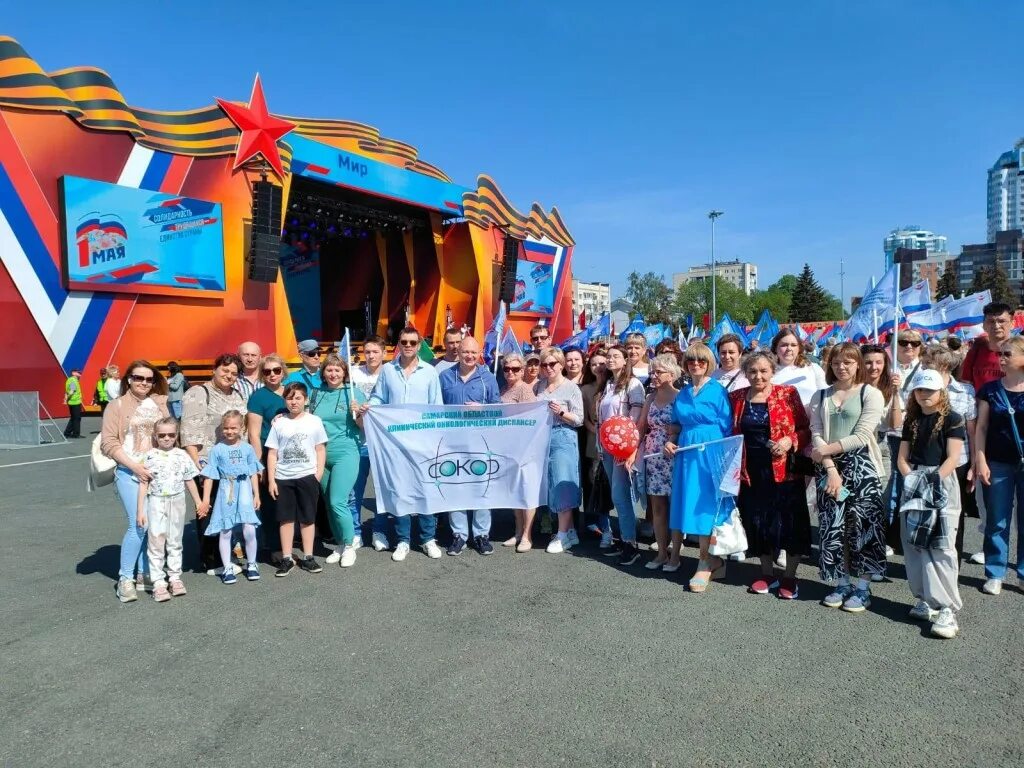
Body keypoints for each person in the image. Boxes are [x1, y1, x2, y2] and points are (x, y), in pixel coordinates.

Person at [809, 342, 886, 612]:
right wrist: (830, 468)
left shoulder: (871, 394)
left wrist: (822, 451)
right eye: (836, 362)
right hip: (829, 469)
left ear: (858, 365)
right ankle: (841, 582)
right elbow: (815, 430)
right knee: (832, 527)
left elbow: (862, 436)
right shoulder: (820, 396)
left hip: (862, 467)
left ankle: (863, 588)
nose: (842, 367)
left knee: (865, 528)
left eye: (848, 362)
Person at [729, 351, 811, 599]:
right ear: (745, 373)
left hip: (784, 471)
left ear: (772, 371)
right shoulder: (736, 397)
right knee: (757, 521)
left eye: (764, 371)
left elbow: (805, 428)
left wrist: (789, 440)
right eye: (753, 371)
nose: (758, 376)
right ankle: (766, 573)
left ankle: (790, 577)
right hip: (750, 470)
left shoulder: (787, 394)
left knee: (789, 522)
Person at [897, 369, 965, 639]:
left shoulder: (953, 418)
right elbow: (902, 457)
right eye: (920, 390)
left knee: (941, 545)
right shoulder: (911, 419)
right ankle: (924, 598)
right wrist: (912, 478)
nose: (924, 395)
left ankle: (947, 607)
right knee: (913, 542)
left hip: (941, 482)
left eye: (930, 390)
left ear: (941, 392)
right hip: (913, 479)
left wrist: (932, 480)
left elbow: (953, 458)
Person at [367, 326, 444, 561]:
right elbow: (379, 397)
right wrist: (371, 406)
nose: (408, 345)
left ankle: (428, 538)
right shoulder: (388, 371)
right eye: (404, 342)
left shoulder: (430, 372)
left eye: (412, 342)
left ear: (420, 345)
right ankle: (403, 540)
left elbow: (436, 406)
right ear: (398, 345)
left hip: (423, 443)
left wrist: (435, 440)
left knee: (426, 489)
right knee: (400, 490)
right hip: (395, 442)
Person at [664, 343, 733, 591]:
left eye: (701, 361)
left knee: (705, 504)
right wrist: (670, 442)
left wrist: (723, 459)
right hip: (686, 452)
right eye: (691, 360)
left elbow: (727, 427)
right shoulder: (682, 394)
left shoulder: (717, 390)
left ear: (709, 364)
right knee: (689, 503)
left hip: (710, 452)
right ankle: (711, 560)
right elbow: (675, 425)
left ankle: (705, 562)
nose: (696, 365)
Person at [100, 361, 170, 602]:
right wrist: (134, 466)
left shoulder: (159, 403)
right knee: (138, 524)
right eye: (138, 378)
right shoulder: (116, 406)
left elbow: (169, 434)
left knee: (152, 525)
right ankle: (125, 579)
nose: (144, 383)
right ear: (128, 379)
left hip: (157, 474)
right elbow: (108, 443)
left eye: (149, 379)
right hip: (129, 473)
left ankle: (143, 573)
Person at [180, 353, 248, 573]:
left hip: (233, 464)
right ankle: (210, 560)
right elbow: (189, 432)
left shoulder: (236, 394)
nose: (229, 376)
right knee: (208, 511)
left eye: (234, 373)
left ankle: (224, 554)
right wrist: (198, 465)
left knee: (228, 510)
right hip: (208, 464)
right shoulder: (199, 393)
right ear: (215, 369)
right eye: (225, 370)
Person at [440, 336, 502, 555]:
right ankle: (459, 535)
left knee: (481, 487)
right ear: (458, 352)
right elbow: (435, 409)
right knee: (455, 487)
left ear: (479, 353)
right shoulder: (445, 377)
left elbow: (498, 410)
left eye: (474, 353)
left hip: (480, 443)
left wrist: (482, 409)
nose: (469, 356)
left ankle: (481, 534)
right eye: (465, 352)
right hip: (452, 442)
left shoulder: (488, 378)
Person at [975, 336, 1024, 596]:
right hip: (997, 462)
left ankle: (1023, 573)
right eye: (1001, 354)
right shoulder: (990, 389)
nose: (1000, 358)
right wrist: (980, 459)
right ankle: (995, 571)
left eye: (1007, 354)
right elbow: (981, 428)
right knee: (997, 519)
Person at [136, 417, 204, 602]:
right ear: (155, 436)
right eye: (162, 435)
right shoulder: (149, 456)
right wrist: (140, 510)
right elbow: (143, 484)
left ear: (177, 436)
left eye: (171, 435)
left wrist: (198, 501)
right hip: (156, 501)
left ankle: (174, 577)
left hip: (177, 499)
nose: (166, 438)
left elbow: (189, 479)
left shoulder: (182, 455)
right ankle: (158, 581)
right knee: (156, 540)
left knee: (175, 539)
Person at [920, 345, 977, 561]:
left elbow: (972, 431)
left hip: (957, 463)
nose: (923, 367)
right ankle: (928, 564)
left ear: (944, 365)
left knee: (954, 517)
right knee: (926, 515)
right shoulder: (918, 388)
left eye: (927, 363)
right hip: (926, 463)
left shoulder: (965, 391)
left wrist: (974, 464)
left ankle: (952, 562)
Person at [309, 354, 367, 568]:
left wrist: (359, 414)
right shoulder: (316, 394)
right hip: (321, 454)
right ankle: (341, 543)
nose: (333, 374)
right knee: (328, 502)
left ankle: (350, 545)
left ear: (344, 373)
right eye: (329, 370)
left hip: (346, 451)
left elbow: (363, 426)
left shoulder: (353, 393)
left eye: (337, 370)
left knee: (338, 501)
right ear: (323, 372)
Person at [266, 382, 327, 577]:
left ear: (305, 400)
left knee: (308, 518)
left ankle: (308, 557)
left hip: (307, 476)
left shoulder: (314, 421)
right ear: (285, 400)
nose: (294, 401)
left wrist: (317, 474)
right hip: (283, 477)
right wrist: (271, 479)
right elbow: (272, 453)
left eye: (298, 397)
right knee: (286, 519)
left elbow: (320, 449)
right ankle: (286, 557)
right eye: (290, 397)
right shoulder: (279, 423)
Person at [627, 354, 681, 569]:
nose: (653, 375)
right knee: (657, 506)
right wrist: (632, 452)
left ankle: (675, 554)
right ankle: (661, 552)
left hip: (674, 455)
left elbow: (685, 425)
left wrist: (675, 434)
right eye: (652, 372)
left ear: (671, 374)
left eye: (658, 372)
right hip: (652, 455)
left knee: (674, 505)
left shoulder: (680, 397)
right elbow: (641, 427)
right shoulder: (650, 397)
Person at [200, 411, 263, 584]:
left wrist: (256, 494)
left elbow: (252, 473)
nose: (229, 431)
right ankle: (227, 567)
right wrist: (206, 499)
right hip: (226, 489)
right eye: (226, 428)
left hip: (244, 488)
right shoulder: (217, 450)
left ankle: (251, 564)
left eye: (233, 428)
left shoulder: (247, 448)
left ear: (241, 428)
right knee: (226, 530)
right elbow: (210, 475)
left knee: (249, 529)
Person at [596, 344, 646, 564]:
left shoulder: (633, 385)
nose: (611, 359)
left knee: (620, 495)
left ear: (626, 360)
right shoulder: (607, 384)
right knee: (617, 496)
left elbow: (635, 421)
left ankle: (631, 543)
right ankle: (625, 537)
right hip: (606, 447)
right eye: (609, 356)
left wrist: (629, 450)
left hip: (622, 448)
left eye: (616, 356)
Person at [534, 348, 585, 554]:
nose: (548, 368)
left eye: (552, 364)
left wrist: (562, 412)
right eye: (544, 364)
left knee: (563, 482)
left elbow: (579, 419)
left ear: (561, 364)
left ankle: (562, 534)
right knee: (551, 483)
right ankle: (570, 530)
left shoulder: (572, 388)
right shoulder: (539, 386)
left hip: (563, 435)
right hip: (542, 438)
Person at [246, 354, 287, 562]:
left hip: (291, 456)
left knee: (287, 500)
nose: (272, 375)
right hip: (267, 454)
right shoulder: (258, 397)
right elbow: (253, 433)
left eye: (276, 370)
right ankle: (275, 547)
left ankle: (290, 541)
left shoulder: (290, 392)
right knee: (271, 501)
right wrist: (259, 463)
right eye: (267, 371)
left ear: (283, 371)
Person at [350, 335, 387, 551]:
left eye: (375, 351)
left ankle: (379, 531)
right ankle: (355, 532)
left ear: (383, 353)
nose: (371, 355)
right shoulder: (354, 373)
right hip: (358, 441)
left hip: (382, 443)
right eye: (368, 351)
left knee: (382, 490)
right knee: (355, 490)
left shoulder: (390, 374)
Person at [500, 352, 538, 551]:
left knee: (526, 492)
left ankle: (527, 535)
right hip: (509, 447)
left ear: (522, 371)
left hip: (525, 448)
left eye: (515, 369)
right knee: (515, 492)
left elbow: (532, 420)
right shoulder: (505, 389)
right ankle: (517, 531)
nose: (510, 372)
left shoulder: (524, 390)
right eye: (507, 369)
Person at [580, 349, 611, 544]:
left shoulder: (614, 386)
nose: (598, 367)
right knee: (596, 483)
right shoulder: (585, 390)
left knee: (613, 484)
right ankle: (601, 526)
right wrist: (597, 431)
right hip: (594, 440)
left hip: (614, 441)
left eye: (602, 363)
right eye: (594, 364)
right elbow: (583, 418)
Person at [961, 302, 1013, 393]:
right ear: (984, 325)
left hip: (1013, 406)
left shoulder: (1020, 353)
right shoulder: (975, 352)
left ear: (1012, 324)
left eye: (1001, 321)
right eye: (991, 321)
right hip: (979, 405)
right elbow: (966, 385)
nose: (996, 326)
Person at [771, 328, 827, 406]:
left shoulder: (813, 368)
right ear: (775, 348)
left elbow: (826, 397)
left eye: (793, 345)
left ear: (799, 348)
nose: (789, 349)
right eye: (784, 345)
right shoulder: (767, 372)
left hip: (811, 417)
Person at [63, 369, 82, 438]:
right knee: (77, 418)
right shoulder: (73, 381)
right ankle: (76, 434)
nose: (80, 373)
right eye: (78, 372)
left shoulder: (69, 380)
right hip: (75, 402)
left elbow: (66, 391)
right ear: (73, 373)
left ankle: (67, 433)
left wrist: (65, 399)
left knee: (73, 418)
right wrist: (66, 398)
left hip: (72, 402)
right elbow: (71, 391)